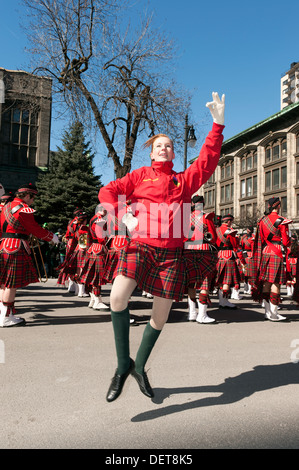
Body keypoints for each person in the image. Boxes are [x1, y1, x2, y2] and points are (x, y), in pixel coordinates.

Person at [99, 91, 225, 402]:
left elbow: (207, 161)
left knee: (160, 316)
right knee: (117, 297)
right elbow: (108, 191)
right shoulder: (140, 176)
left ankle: (139, 367)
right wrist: (122, 213)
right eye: (159, 145)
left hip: (171, 254)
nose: (165, 148)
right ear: (152, 153)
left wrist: (217, 126)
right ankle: (121, 365)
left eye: (169, 145)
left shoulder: (184, 180)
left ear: (172, 152)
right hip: (140, 247)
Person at [0, 183, 59, 327]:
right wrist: (51, 237)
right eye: (32, 197)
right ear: (27, 195)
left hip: (3, 245)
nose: (33, 201)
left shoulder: (6, 207)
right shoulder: (23, 209)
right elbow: (34, 228)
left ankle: (3, 314)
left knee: (3, 283)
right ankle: (6, 317)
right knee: (11, 285)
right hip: (15, 246)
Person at [248, 197, 291, 321]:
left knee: (266, 282)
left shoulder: (262, 220)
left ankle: (267, 312)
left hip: (265, 252)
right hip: (276, 252)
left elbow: (259, 239)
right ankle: (274, 313)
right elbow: (287, 241)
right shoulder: (282, 220)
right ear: (278, 206)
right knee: (275, 283)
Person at [184, 194, 218, 323]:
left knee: (191, 283)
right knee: (204, 282)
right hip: (204, 250)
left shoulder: (186, 218)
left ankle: (192, 313)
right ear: (202, 204)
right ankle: (202, 315)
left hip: (188, 250)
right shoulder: (206, 217)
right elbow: (213, 238)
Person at [79, 208, 109, 310]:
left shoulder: (93, 218)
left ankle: (93, 299)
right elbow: (101, 237)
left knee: (92, 277)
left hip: (93, 249)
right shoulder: (99, 220)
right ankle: (97, 300)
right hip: (99, 249)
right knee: (97, 277)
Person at [215, 214, 246, 308]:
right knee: (226, 280)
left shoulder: (216, 230)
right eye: (231, 221)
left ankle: (221, 301)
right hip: (228, 255)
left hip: (219, 255)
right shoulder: (231, 231)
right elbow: (235, 244)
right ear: (229, 221)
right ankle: (224, 302)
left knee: (220, 280)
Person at [240, 226, 255, 295]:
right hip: (245, 254)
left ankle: (249, 288)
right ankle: (246, 288)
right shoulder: (243, 237)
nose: (250, 231)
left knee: (251, 273)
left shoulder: (253, 236)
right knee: (245, 273)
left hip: (252, 254)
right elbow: (241, 246)